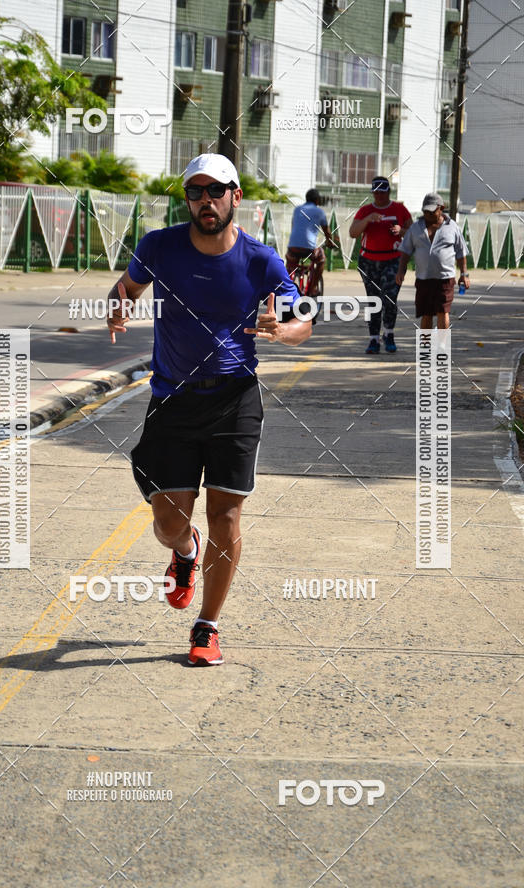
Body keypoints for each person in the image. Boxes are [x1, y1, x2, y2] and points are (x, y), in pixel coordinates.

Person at [106, 153, 312, 666]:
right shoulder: (159, 246)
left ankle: (207, 626)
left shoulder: (261, 260)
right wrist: (118, 303)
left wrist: (285, 331)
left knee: (226, 513)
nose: (205, 201)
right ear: (188, 200)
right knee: (167, 523)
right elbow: (128, 285)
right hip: (172, 399)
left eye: (215, 191)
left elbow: (302, 318)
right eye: (195, 192)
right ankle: (184, 552)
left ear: (235, 197)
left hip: (235, 399)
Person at [349, 176, 412, 354]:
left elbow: (414, 234)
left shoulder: (399, 209)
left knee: (390, 298)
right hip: (369, 261)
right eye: (376, 192)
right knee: (373, 300)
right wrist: (368, 219)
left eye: (382, 192)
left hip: (393, 260)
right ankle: (373, 339)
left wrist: (402, 230)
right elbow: (353, 233)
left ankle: (389, 334)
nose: (379, 196)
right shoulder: (365, 211)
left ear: (388, 192)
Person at [396, 192, 469, 329]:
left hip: (445, 279)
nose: (428, 214)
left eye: (431, 211)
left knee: (443, 312)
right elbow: (405, 250)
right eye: (425, 211)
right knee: (426, 313)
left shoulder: (452, 227)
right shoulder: (415, 228)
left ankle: (442, 349)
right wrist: (401, 271)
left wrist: (464, 275)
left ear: (441, 208)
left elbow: (461, 252)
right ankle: (426, 349)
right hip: (423, 279)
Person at [285, 188, 337, 296]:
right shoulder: (319, 212)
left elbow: (293, 226)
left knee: (290, 265)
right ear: (317, 200)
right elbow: (326, 231)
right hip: (308, 249)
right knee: (321, 259)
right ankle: (312, 288)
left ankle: (285, 286)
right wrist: (330, 242)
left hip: (293, 247)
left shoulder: (297, 209)